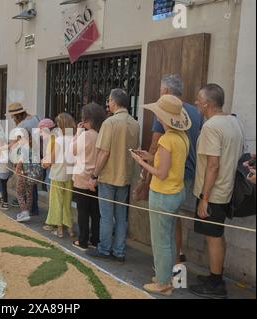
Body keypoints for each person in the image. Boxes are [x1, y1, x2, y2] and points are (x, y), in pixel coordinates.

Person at [131, 95, 191, 296]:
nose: (156, 117)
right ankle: (167, 278)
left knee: (161, 240)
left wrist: (141, 163)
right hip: (176, 192)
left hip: (163, 194)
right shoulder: (182, 137)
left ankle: (163, 282)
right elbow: (168, 164)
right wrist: (148, 156)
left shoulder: (166, 139)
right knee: (168, 238)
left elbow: (161, 173)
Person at [189, 84, 244, 299]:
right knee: (217, 235)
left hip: (213, 193)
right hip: (225, 190)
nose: (196, 103)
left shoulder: (212, 127)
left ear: (207, 104)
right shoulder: (234, 121)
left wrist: (205, 198)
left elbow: (213, 165)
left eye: (198, 100)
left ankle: (216, 283)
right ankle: (215, 277)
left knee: (213, 237)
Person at [147, 74, 203, 264]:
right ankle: (177, 264)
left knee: (166, 227)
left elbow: (155, 145)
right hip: (188, 173)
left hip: (168, 176)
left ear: (165, 92)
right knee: (173, 218)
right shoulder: (196, 112)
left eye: (161, 91)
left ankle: (168, 269)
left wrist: (144, 177)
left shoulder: (165, 111)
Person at [87, 89, 140, 263]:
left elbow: (104, 153)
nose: (107, 103)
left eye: (109, 100)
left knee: (107, 215)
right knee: (121, 215)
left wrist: (94, 175)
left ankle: (104, 249)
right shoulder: (134, 123)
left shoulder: (110, 123)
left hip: (109, 176)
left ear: (114, 102)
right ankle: (119, 251)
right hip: (125, 176)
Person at [70, 103, 106, 250]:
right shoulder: (101, 135)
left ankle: (83, 240)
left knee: (83, 212)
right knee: (95, 213)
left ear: (87, 119)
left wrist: (78, 132)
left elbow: (72, 150)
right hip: (96, 178)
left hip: (82, 178)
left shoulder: (85, 135)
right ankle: (95, 239)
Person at [42, 113, 76, 238]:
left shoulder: (59, 140)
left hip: (57, 174)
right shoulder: (74, 138)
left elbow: (51, 160)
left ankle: (59, 229)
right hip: (69, 175)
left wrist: (44, 163)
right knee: (67, 202)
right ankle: (70, 228)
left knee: (57, 202)